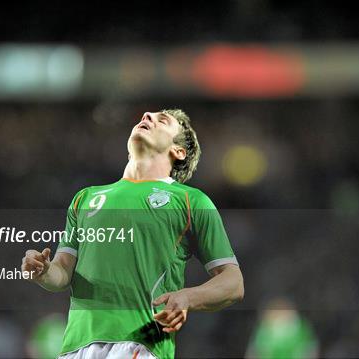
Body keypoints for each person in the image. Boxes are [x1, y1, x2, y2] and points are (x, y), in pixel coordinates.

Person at [21, 109, 244, 358]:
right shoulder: (85, 198)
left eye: (162, 120)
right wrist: (43, 271)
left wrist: (188, 297)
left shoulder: (191, 201)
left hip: (140, 345)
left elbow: (233, 283)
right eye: (147, 116)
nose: (147, 115)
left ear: (178, 151)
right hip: (76, 347)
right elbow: (62, 274)